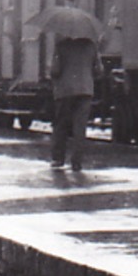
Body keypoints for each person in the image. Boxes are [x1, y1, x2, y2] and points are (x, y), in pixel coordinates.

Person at [49, 30, 103, 172]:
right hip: (85, 91)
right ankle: (77, 162)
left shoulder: (61, 46)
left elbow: (55, 70)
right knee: (80, 127)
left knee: (61, 125)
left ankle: (58, 159)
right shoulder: (91, 46)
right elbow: (99, 70)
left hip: (65, 92)